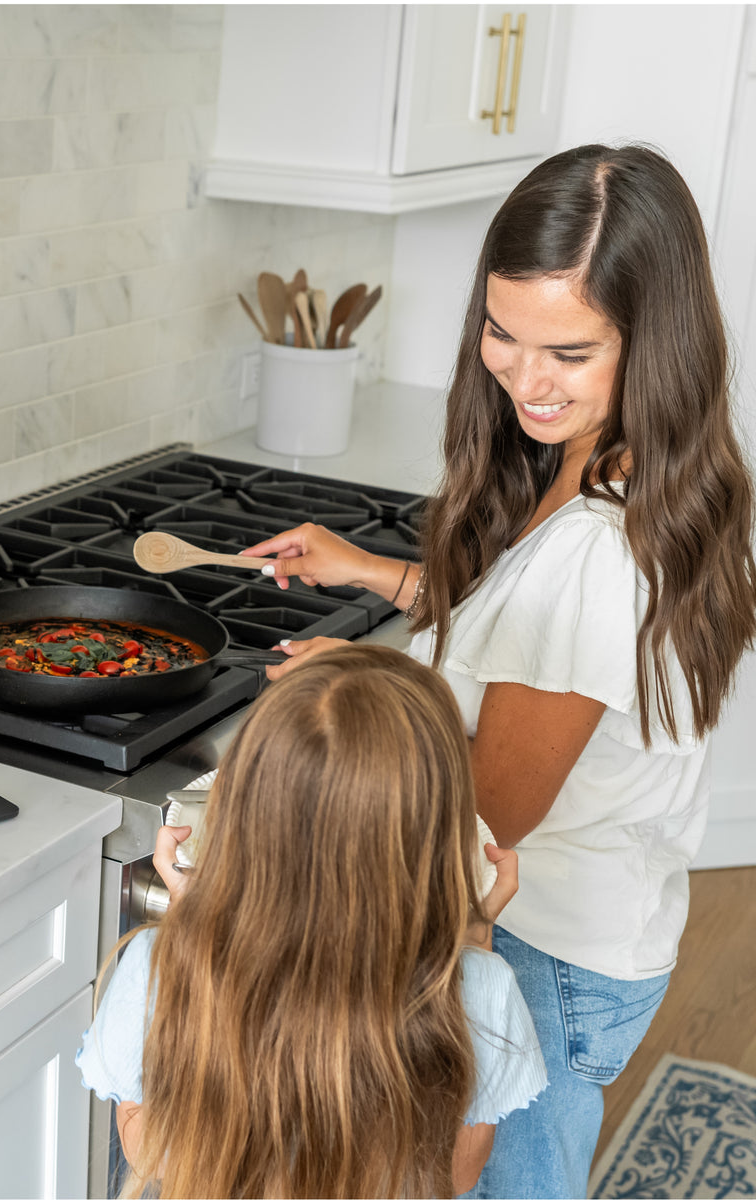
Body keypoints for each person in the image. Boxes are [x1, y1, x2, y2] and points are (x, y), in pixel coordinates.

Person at [242, 143, 756, 1198]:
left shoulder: (599, 555)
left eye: (569, 353)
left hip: (541, 950)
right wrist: (376, 576)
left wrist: (363, 700)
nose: (525, 378)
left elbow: (492, 809)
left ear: (651, 344)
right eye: (500, 332)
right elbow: (512, 633)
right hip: (595, 925)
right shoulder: (624, 472)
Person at [77, 644, 547, 1199]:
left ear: (241, 810)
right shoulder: (481, 989)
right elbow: (456, 1176)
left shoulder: (159, 966)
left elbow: (148, 1151)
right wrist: (471, 938)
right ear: (438, 833)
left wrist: (193, 926)